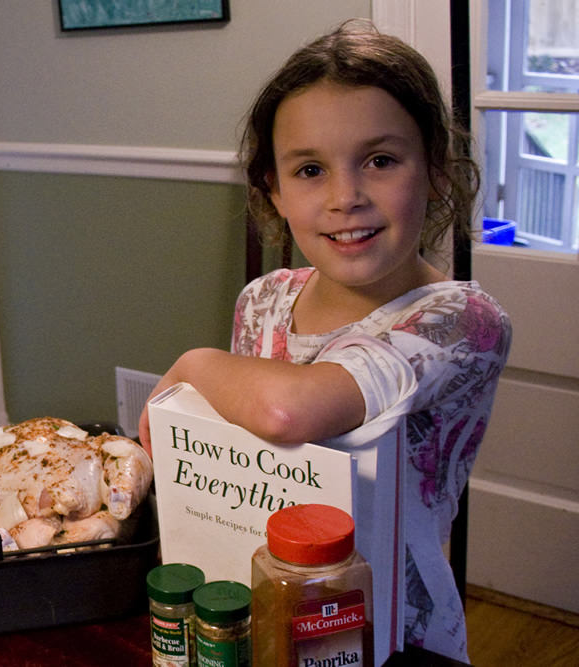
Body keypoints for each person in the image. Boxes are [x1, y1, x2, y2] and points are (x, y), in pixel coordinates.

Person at [138, 21, 511, 662]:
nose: (346, 197)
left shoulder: (460, 321)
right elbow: (239, 450)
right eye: (310, 169)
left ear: (438, 173)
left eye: (381, 160)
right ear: (274, 193)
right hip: (269, 600)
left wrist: (193, 364)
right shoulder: (263, 300)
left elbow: (288, 411)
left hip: (397, 634)